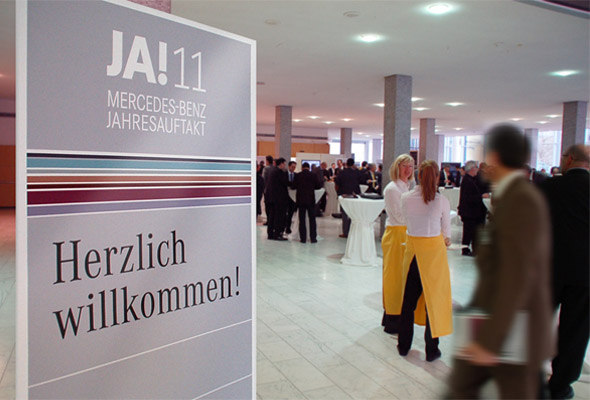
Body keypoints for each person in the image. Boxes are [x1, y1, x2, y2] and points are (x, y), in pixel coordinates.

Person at [449, 124, 553, 399]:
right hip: (496, 322)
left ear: (494, 157)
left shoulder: (522, 200)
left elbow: (517, 278)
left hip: (513, 329)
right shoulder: (511, 195)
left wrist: (489, 341)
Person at [541, 144, 589, 400]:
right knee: (576, 330)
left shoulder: (548, 187)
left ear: (569, 159)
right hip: (585, 272)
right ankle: (560, 385)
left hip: (548, 267)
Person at [398, 160, 453, 362]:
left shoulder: (406, 198)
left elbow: (404, 220)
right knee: (433, 301)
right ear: (438, 177)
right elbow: (446, 231)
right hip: (434, 254)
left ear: (418, 175)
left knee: (408, 302)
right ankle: (432, 349)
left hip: (413, 252)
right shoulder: (441, 201)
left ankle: (403, 345)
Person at [381, 154, 414, 335]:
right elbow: (399, 216)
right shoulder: (392, 189)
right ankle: (392, 317)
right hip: (395, 234)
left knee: (403, 277)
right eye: (404, 166)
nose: (408, 170)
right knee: (394, 277)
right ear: (397, 167)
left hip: (405, 233)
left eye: (411, 166)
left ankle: (398, 314)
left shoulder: (407, 186)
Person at [457, 161, 487, 257]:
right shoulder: (467, 181)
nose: (477, 170)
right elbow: (468, 197)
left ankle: (472, 249)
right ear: (472, 169)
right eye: (476, 168)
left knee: (472, 232)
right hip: (469, 212)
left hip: (471, 212)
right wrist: (481, 196)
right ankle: (465, 249)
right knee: (468, 232)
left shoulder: (470, 180)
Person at [291, 162, 322, 243]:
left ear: (302, 167)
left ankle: (303, 238)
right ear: (309, 168)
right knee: (312, 220)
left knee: (302, 220)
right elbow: (318, 186)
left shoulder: (298, 175)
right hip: (310, 200)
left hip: (301, 200)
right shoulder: (313, 175)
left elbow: (293, 186)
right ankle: (313, 238)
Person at [334, 158, 362, 238]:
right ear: (353, 164)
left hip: (344, 195)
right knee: (353, 213)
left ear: (346, 163)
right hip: (354, 194)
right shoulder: (357, 172)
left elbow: (337, 183)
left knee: (344, 214)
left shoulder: (342, 172)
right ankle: (352, 230)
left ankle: (345, 232)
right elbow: (361, 180)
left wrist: (338, 194)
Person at [265, 157, 289, 241]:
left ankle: (270, 234)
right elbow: (285, 183)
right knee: (278, 217)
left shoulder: (273, 172)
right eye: (284, 164)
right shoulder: (279, 173)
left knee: (272, 216)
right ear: (281, 164)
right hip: (279, 199)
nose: (285, 166)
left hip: (272, 198)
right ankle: (277, 234)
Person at [285, 161, 297, 234]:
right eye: (292, 167)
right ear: (289, 166)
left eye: (294, 167)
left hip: (292, 197)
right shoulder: (284, 174)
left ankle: (288, 228)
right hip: (284, 197)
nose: (293, 168)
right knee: (284, 213)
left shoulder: (296, 175)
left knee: (291, 213)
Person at [262, 155, 274, 226]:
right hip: (274, 191)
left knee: (267, 206)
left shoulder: (266, 169)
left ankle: (268, 220)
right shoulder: (275, 168)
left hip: (267, 190)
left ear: (267, 161)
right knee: (273, 206)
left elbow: (263, 179)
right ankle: (272, 220)